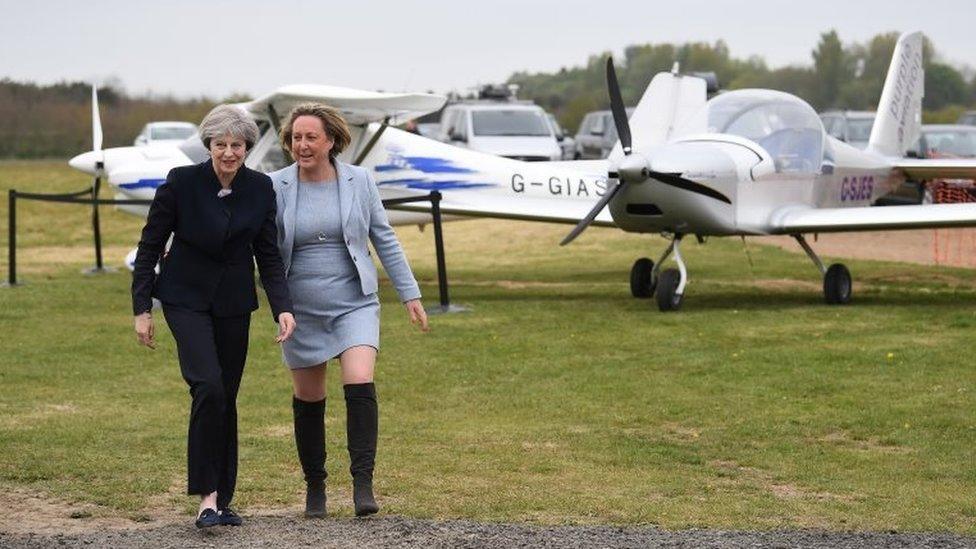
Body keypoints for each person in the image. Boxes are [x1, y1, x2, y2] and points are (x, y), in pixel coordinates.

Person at [131, 105, 296, 528]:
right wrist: (142, 309)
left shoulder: (260, 189)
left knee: (227, 396)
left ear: (247, 147)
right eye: (220, 145)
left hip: (234, 303)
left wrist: (283, 308)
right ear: (209, 146)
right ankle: (205, 499)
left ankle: (221, 498)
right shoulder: (181, 183)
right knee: (208, 387)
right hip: (184, 298)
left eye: (236, 145)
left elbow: (268, 255)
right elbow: (150, 246)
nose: (228, 153)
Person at [270, 103, 429, 518]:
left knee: (359, 381)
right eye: (295, 138)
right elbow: (256, 244)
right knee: (309, 397)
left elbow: (384, 237)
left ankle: (363, 484)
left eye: (310, 137)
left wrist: (409, 293)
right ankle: (316, 487)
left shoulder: (359, 181)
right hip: (299, 308)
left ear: (332, 141)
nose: (301, 145)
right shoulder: (276, 186)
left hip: (354, 301)